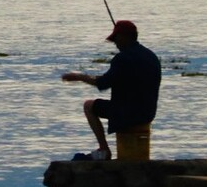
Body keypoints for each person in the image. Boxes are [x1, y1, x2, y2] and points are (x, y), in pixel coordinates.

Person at [61, 19, 162, 160]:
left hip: (128, 113)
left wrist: (79, 77)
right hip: (148, 113)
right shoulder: (152, 57)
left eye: (116, 39)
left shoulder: (121, 59)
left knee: (89, 106)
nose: (115, 43)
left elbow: (102, 83)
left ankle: (104, 150)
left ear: (123, 37)